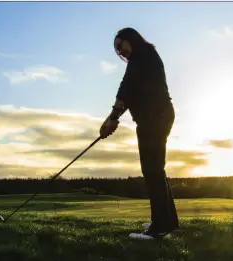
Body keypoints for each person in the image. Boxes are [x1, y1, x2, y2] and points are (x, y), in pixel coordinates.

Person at [100, 27, 179, 239]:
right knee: (156, 169)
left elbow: (127, 87)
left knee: (152, 169)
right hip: (156, 116)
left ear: (130, 39)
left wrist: (112, 117)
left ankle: (160, 227)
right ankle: (167, 221)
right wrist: (114, 117)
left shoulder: (141, 55)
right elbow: (132, 93)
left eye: (120, 45)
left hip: (155, 117)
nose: (119, 51)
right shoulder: (144, 56)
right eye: (116, 49)